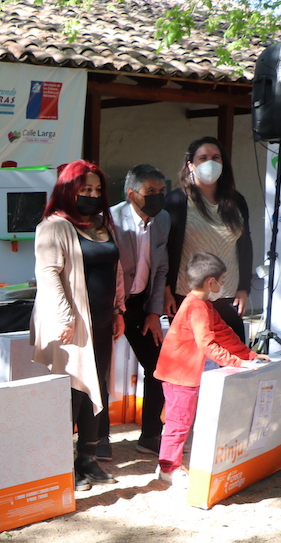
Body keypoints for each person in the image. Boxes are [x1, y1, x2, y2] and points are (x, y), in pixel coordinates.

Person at [30, 160, 125, 491]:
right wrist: (64, 317)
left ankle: (87, 460)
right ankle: (58, 466)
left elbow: (116, 270)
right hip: (70, 325)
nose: (93, 195)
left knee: (95, 386)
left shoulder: (100, 225)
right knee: (72, 393)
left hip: (101, 323)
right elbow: (49, 274)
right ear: (68, 189)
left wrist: (118, 309)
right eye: (86, 189)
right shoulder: (53, 227)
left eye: (98, 190)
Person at [153, 253, 267, 486]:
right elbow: (207, 344)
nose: (223, 283)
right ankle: (168, 468)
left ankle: (169, 464)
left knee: (180, 421)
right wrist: (238, 362)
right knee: (178, 422)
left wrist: (249, 355)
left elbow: (223, 332)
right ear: (211, 282)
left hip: (184, 373)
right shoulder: (197, 306)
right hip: (180, 375)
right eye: (222, 279)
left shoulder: (203, 304)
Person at [100, 164, 171, 459]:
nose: (157, 197)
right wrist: (115, 309)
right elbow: (107, 269)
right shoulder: (110, 220)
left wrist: (154, 312)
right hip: (108, 305)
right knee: (100, 370)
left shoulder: (163, 219)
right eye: (150, 191)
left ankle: (151, 435)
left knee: (159, 367)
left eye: (161, 191)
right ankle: (98, 439)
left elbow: (162, 268)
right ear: (131, 194)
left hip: (142, 305)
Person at [166, 137, 253, 343]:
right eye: (202, 158)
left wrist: (243, 288)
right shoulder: (176, 201)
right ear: (191, 165)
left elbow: (245, 246)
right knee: (191, 363)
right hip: (187, 296)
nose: (209, 163)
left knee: (234, 361)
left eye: (215, 158)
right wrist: (166, 291)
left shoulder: (236, 201)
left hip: (227, 294)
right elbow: (166, 250)